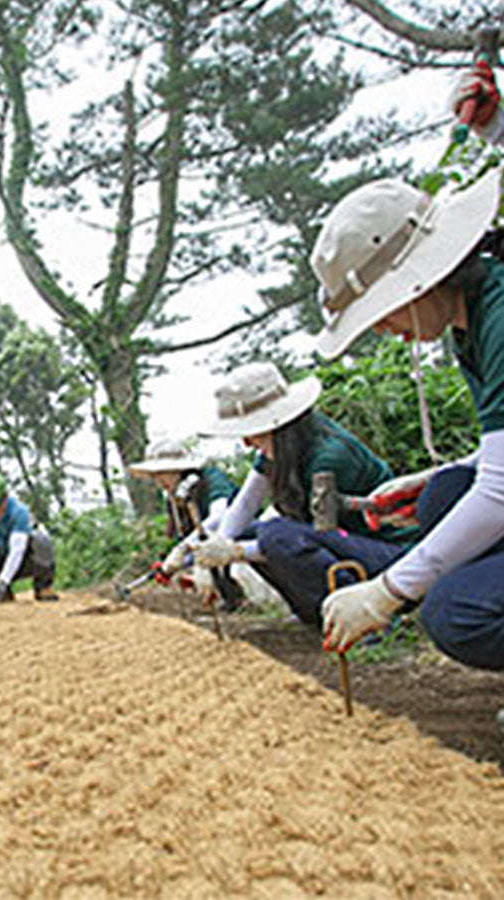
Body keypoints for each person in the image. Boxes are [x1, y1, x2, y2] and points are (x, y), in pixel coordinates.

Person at [309, 166, 503, 675]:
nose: (388, 331)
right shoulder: (473, 320)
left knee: (457, 614)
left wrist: (387, 591)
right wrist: (426, 478)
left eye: (383, 313)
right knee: (444, 494)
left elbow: (501, 494)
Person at [167, 362, 411, 626]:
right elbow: (246, 503)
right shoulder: (279, 450)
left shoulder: (329, 458)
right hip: (342, 543)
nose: (246, 443)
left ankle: (361, 615)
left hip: (388, 555)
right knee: (253, 530)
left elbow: (321, 533)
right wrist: (209, 550)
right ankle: (314, 613)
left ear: (279, 425)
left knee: (276, 535)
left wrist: (234, 552)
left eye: (251, 432)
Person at [129, 437, 247, 609]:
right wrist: (170, 565)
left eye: (163, 473)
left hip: (243, 537)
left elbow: (219, 516)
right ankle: (231, 601)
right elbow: (190, 541)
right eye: (155, 476)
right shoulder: (175, 499)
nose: (159, 481)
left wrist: (182, 549)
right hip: (210, 549)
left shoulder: (211, 479)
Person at [0, 472, 58, 605]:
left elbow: (17, 550)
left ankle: (43, 586)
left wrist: (3, 581)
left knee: (41, 539)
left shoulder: (19, 512)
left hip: (25, 558)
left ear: (5, 499)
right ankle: (0, 590)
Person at [451, 59, 503, 145]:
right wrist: (463, 124)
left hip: (494, 120)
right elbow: (469, 103)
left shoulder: (486, 86)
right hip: (489, 124)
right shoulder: (473, 86)